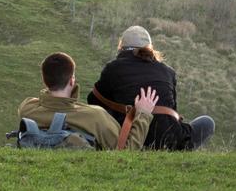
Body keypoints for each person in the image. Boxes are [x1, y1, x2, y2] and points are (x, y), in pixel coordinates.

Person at [88, 26, 215, 151]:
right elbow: (173, 110)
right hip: (171, 141)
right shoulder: (168, 71)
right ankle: (181, 150)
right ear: (150, 48)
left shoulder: (113, 68)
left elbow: (93, 101)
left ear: (121, 48)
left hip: (131, 138)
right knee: (207, 122)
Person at [16, 52, 152, 150]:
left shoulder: (27, 108)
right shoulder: (96, 116)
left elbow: (41, 101)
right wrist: (143, 114)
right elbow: (125, 151)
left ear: (44, 80)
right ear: (71, 81)